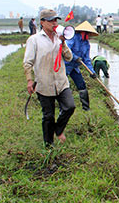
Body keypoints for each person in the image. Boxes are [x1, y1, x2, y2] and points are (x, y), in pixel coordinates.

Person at [23, 9, 75, 146]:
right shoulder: (34, 40)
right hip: (43, 84)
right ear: (42, 22)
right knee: (48, 116)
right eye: (51, 20)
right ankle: (48, 145)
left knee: (70, 106)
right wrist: (29, 80)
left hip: (61, 82)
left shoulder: (59, 38)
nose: (54, 23)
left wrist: (63, 44)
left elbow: (69, 58)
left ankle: (58, 129)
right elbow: (28, 62)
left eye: (55, 20)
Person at [64, 21, 98, 111]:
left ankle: (86, 108)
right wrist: (75, 57)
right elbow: (66, 49)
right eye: (88, 34)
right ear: (83, 32)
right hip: (65, 66)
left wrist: (92, 72)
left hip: (75, 67)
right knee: (63, 86)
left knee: (82, 85)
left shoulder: (86, 44)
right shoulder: (72, 38)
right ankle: (62, 106)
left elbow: (87, 59)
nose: (89, 36)